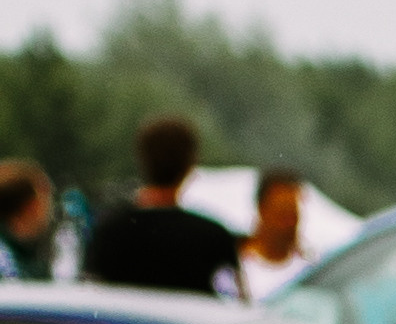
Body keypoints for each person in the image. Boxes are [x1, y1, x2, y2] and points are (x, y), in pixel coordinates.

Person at [84, 117, 242, 299]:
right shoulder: (214, 237)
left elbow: (90, 299)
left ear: (142, 159)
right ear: (190, 165)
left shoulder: (108, 232)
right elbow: (237, 304)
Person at [239, 168, 307, 301]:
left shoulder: (307, 271)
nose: (290, 224)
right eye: (282, 215)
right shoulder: (235, 264)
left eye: (294, 215)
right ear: (261, 210)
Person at [0, 161, 55, 283]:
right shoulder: (8, 261)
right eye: (46, 198)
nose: (50, 211)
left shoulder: (20, 252)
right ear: (33, 206)